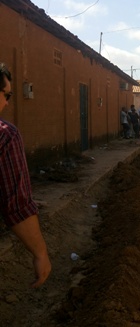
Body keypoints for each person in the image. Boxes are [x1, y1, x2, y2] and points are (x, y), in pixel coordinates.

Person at [0, 63, 51, 288]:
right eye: (7, 95)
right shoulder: (6, 135)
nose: (8, 102)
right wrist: (40, 254)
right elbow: (16, 205)